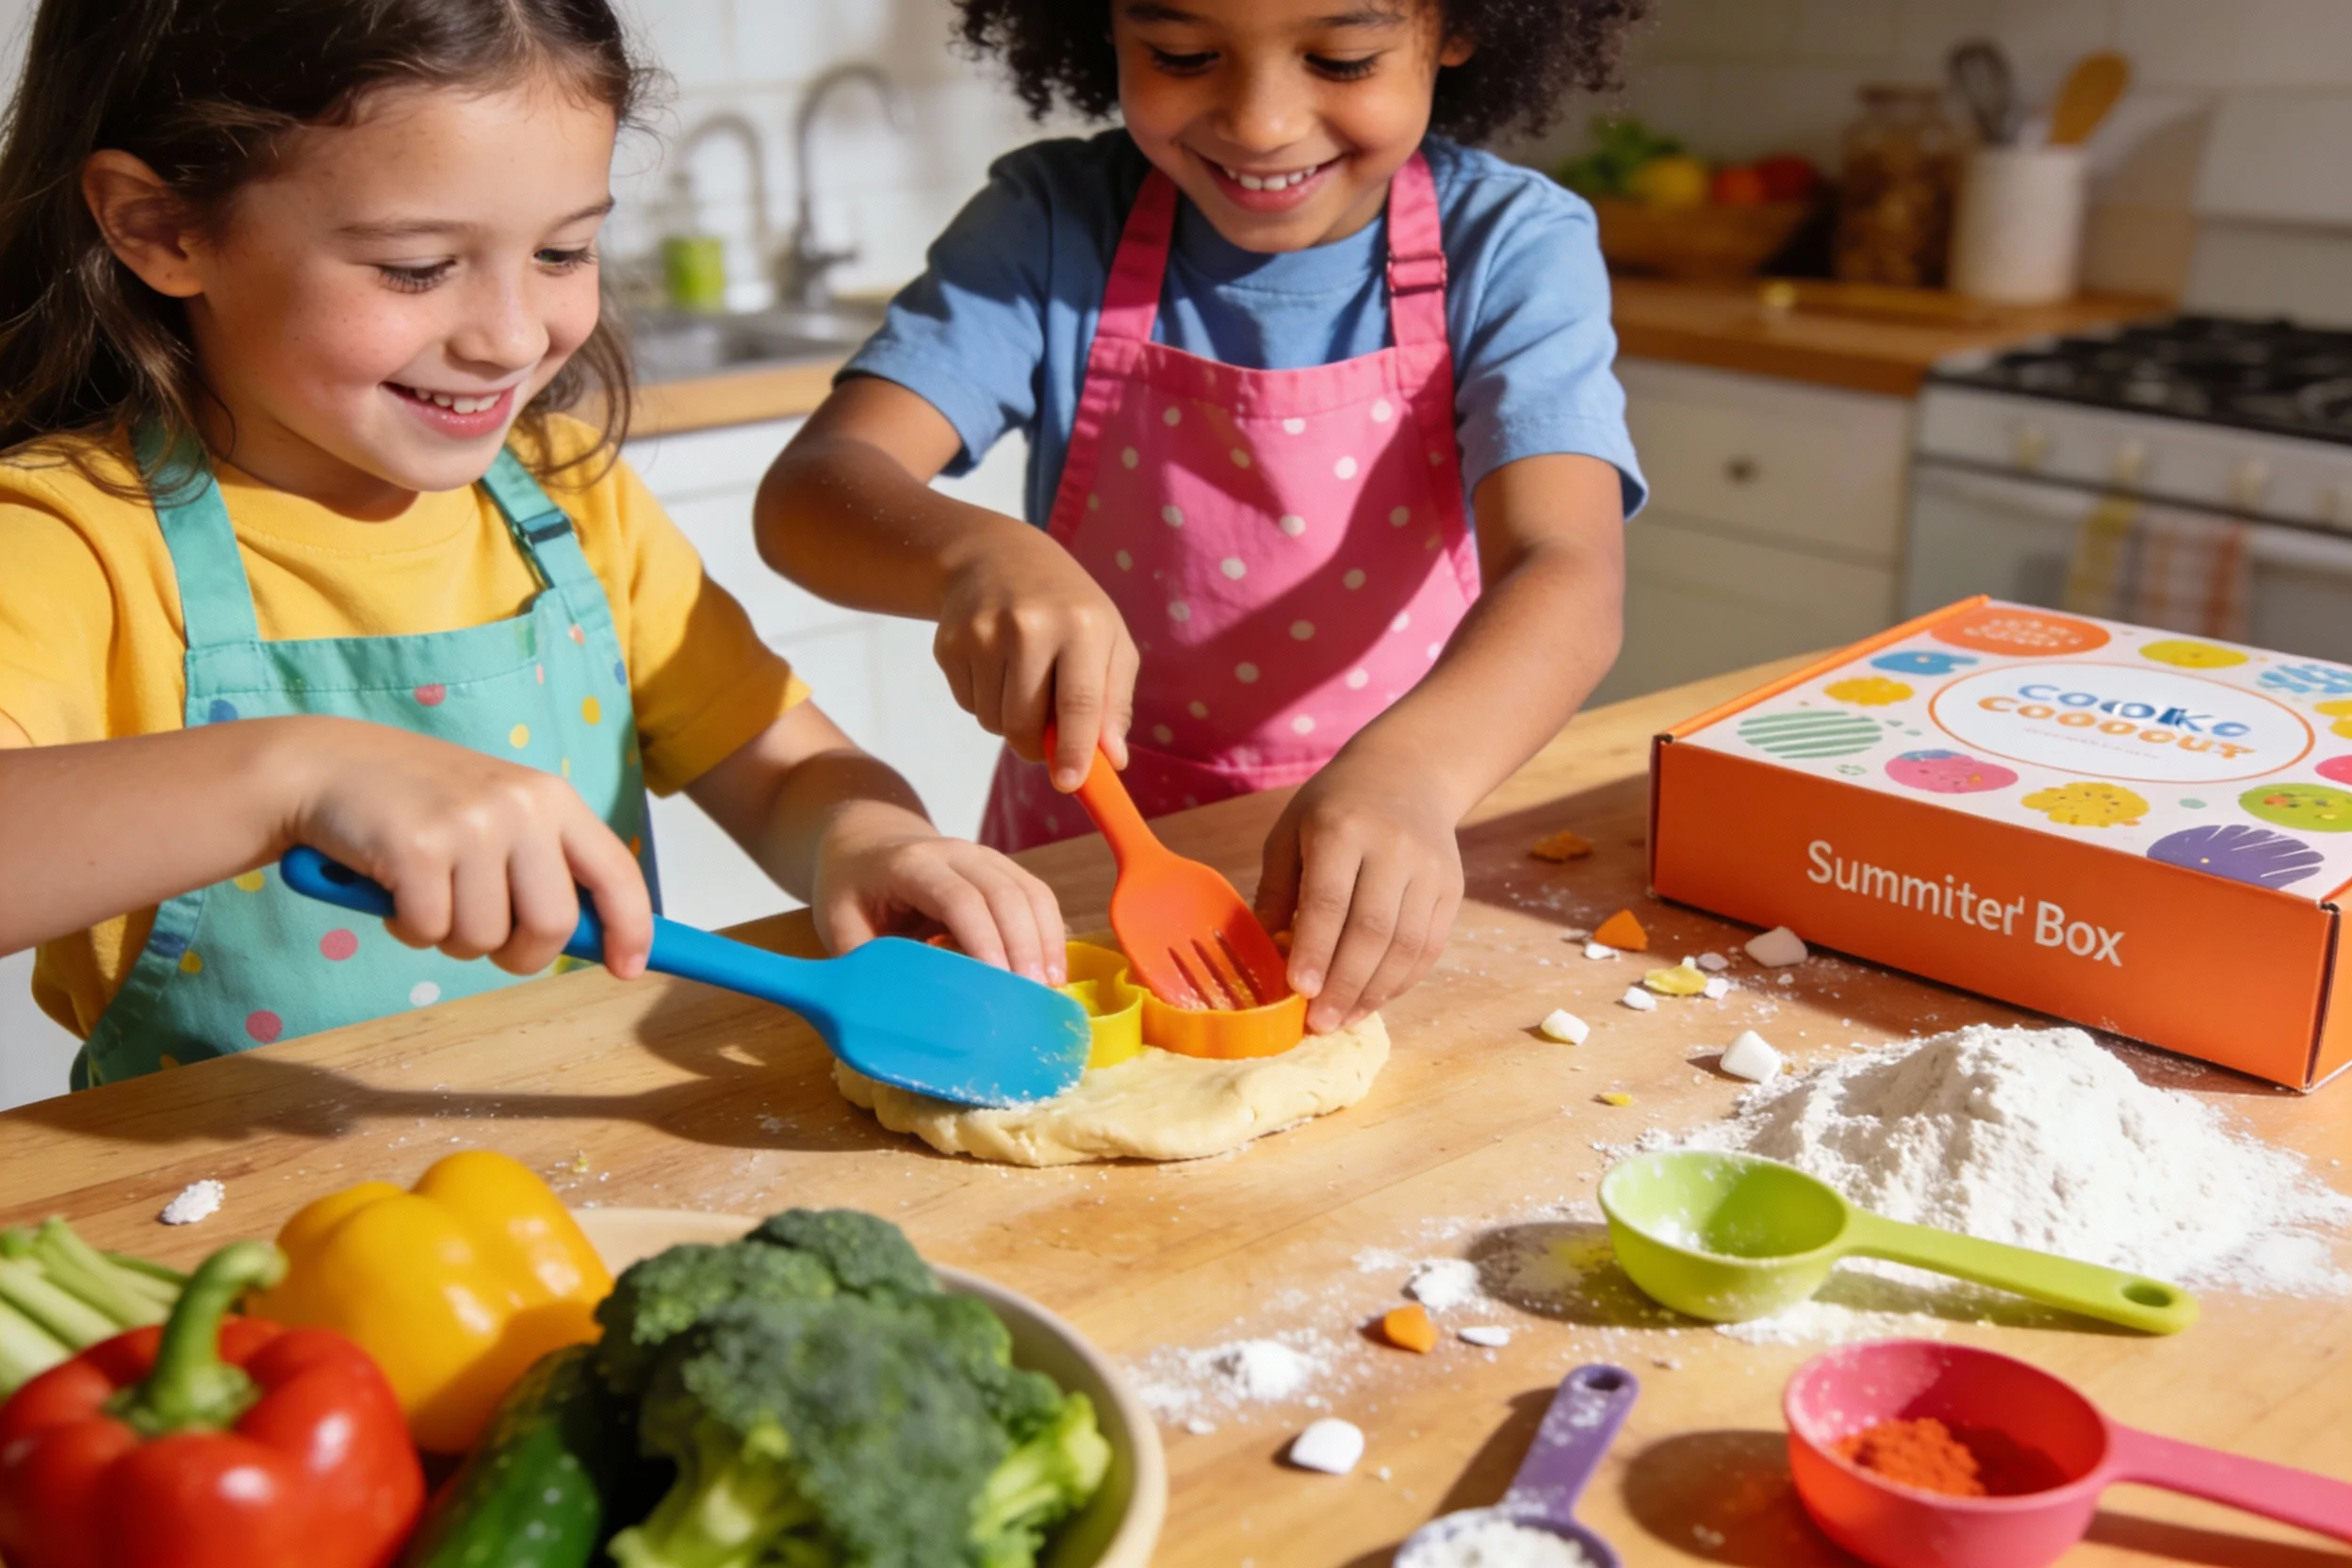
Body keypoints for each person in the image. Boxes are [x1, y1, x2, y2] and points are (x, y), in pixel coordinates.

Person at [0, 0, 1066, 1091]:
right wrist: (293, 774)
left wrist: (869, 840)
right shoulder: (71, 539)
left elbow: (787, 768)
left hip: (575, 1185)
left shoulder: (567, 501)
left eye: (564, 250)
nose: (514, 335)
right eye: (416, 266)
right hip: (222, 1221)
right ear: (161, 228)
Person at [757, 0, 1649, 1035]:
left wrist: (1414, 778)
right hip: (1080, 852)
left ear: (1454, 28)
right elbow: (814, 487)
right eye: (1182, 55)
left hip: (1388, 870)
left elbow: (1568, 571)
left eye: (1341, 58)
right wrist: (973, 553)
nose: (1263, 122)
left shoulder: (1509, 247)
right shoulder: (1054, 223)